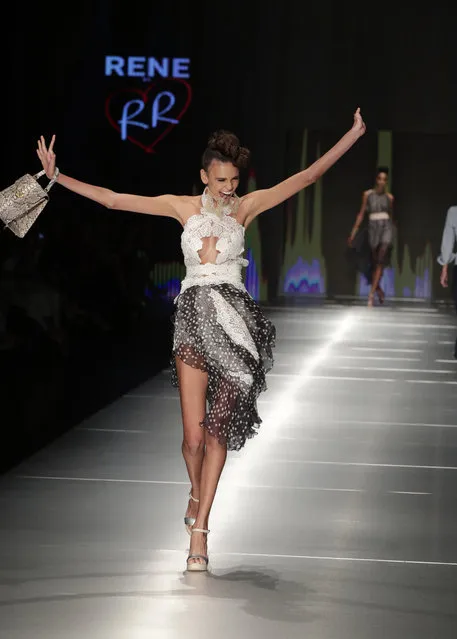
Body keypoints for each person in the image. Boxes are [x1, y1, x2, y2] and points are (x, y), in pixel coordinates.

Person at [36, 108, 366, 572]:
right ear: (204, 176)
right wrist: (58, 176)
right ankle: (195, 491)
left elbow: (308, 176)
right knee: (192, 438)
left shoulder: (246, 207)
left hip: (234, 325)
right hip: (192, 320)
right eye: (221, 180)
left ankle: (201, 529)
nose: (229, 188)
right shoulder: (181, 206)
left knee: (216, 432)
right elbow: (113, 200)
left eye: (234, 179)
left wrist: (352, 134)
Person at [348, 167, 394, 307]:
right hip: (373, 229)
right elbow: (361, 214)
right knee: (373, 263)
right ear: (376, 180)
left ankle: (371, 294)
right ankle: (377, 288)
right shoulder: (367, 195)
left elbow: (392, 216)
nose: (382, 182)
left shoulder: (390, 198)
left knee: (380, 260)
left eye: (384, 179)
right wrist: (353, 232)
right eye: (380, 179)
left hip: (386, 228)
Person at [438, 205, 457, 358]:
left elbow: (448, 240)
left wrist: (445, 266)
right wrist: (444, 266)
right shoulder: (453, 212)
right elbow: (448, 240)